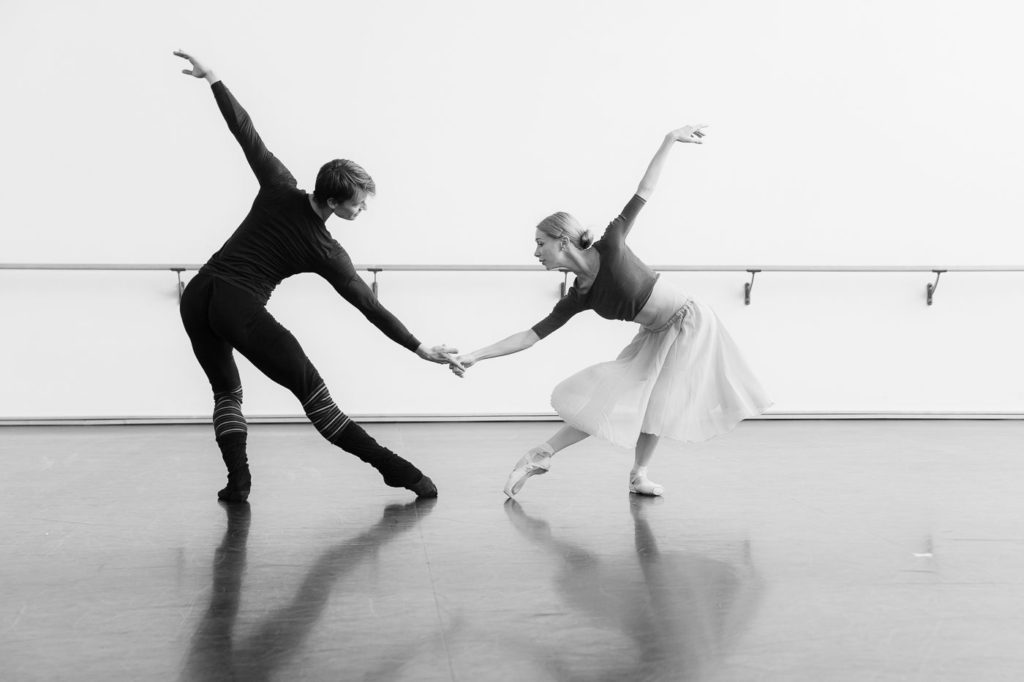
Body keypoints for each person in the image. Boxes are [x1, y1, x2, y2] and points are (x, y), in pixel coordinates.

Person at [174, 50, 458, 502]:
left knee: (226, 391)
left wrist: (214, 80)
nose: (363, 209)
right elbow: (369, 305)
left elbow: (246, 133)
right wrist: (418, 347)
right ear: (336, 200)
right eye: (359, 203)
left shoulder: (279, 185)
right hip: (237, 305)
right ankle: (397, 470)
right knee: (316, 398)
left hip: (198, 295)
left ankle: (238, 482)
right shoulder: (325, 249)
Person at [452, 125, 771, 498]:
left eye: (541, 244)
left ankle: (638, 474)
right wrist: (475, 355)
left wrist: (668, 141)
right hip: (655, 333)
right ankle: (542, 454)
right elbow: (529, 336)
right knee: (613, 398)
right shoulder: (579, 295)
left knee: (659, 402)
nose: (536, 253)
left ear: (563, 241)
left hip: (690, 321)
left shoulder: (612, 245)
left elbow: (645, 190)